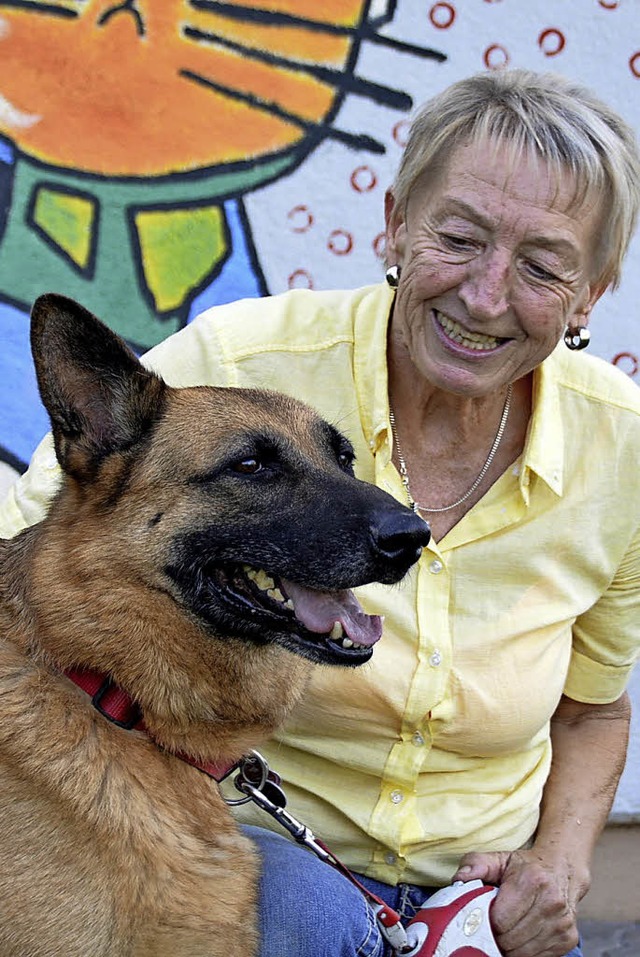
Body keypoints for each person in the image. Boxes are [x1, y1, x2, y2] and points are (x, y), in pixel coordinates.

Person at [2, 68, 640, 957]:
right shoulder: (234, 362)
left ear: (590, 295)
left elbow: (593, 711)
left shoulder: (623, 446)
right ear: (397, 223)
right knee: (298, 916)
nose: (487, 296)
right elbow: (37, 549)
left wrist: (556, 869)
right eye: (459, 238)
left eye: (541, 266)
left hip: (483, 898)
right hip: (272, 853)